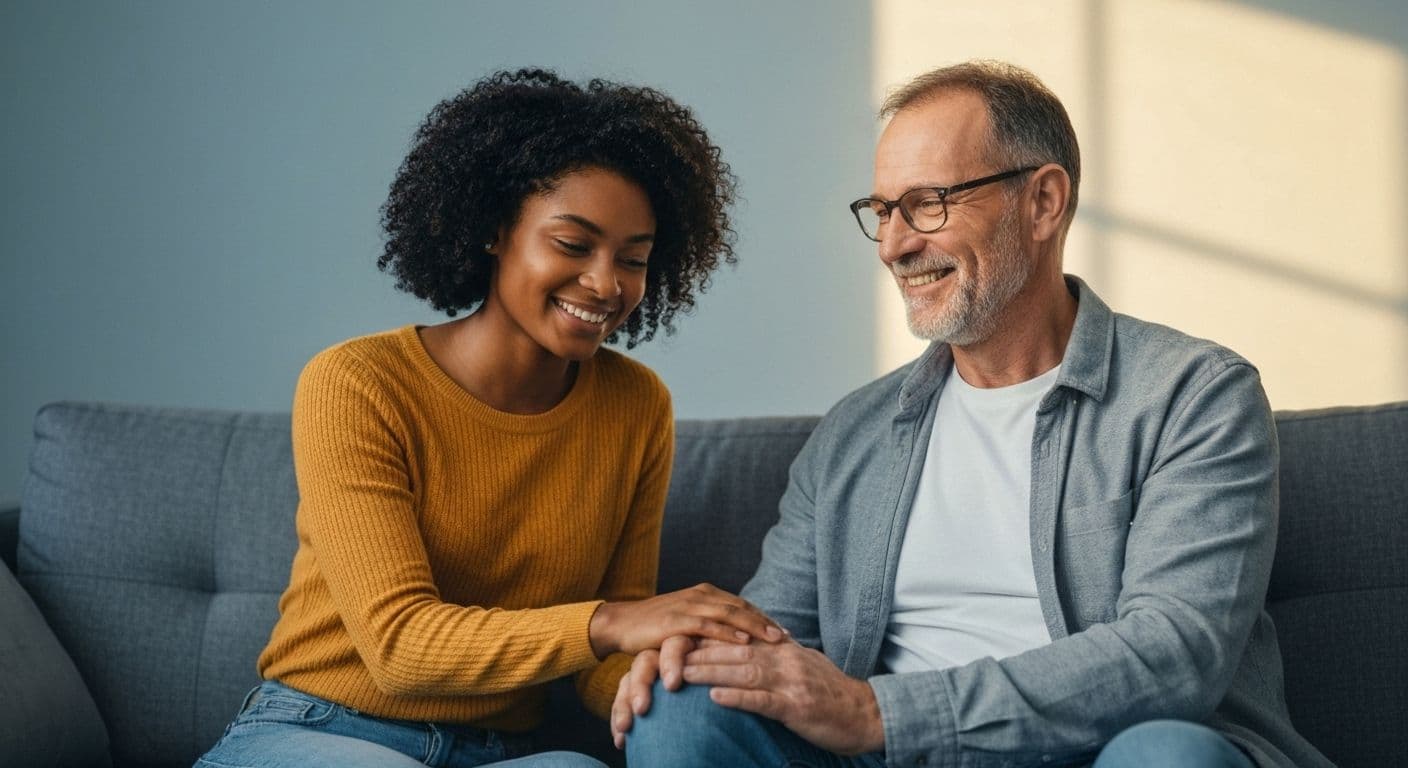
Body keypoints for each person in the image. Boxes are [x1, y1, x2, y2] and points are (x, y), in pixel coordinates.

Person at [613, 61, 1331, 768]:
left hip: (1101, 749)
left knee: (1166, 756)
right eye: (883, 212)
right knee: (680, 715)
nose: (896, 244)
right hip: (884, 756)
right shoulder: (853, 433)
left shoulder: (1192, 395)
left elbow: (1175, 652)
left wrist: (878, 713)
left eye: (930, 202)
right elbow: (774, 640)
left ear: (1044, 202)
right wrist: (702, 659)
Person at [194, 68, 787, 768]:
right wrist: (615, 623)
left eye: (634, 259)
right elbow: (398, 648)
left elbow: (602, 655)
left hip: (500, 752)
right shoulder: (357, 383)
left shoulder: (636, 406)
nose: (606, 284)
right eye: (572, 244)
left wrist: (673, 663)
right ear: (492, 231)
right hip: (321, 730)